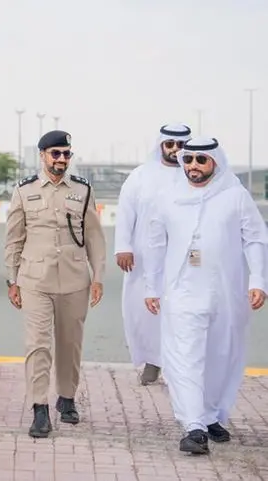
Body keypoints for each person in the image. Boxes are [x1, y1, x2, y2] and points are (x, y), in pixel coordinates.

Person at [143, 137, 268, 455]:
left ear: (215, 162)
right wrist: (151, 287)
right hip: (181, 293)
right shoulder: (167, 196)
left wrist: (258, 280)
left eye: (201, 160)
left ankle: (211, 415)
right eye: (188, 160)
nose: (193, 166)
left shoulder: (235, 196)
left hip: (225, 294)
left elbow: (255, 239)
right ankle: (194, 426)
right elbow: (155, 244)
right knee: (185, 358)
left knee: (220, 357)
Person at [3, 130, 107, 439]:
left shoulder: (83, 190)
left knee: (69, 342)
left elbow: (94, 238)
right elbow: (13, 240)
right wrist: (12, 279)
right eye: (55, 154)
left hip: (75, 279)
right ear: (43, 156)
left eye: (66, 154)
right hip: (35, 279)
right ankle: (39, 408)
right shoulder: (24, 191)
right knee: (38, 344)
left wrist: (98, 276)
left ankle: (67, 397)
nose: (61, 159)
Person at [115, 123, 191, 385]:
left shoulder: (193, 176)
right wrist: (123, 246)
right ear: (161, 145)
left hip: (182, 259)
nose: (175, 150)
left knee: (180, 310)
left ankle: (174, 364)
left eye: (181, 145)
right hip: (143, 257)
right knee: (142, 310)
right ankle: (152, 360)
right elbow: (125, 212)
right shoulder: (140, 176)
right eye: (170, 144)